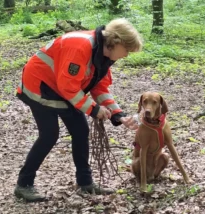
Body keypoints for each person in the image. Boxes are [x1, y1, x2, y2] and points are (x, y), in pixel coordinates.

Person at [14, 18, 143, 202]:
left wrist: (118, 114)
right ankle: (24, 184)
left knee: (81, 131)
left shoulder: (103, 56)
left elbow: (100, 88)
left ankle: (85, 183)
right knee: (49, 135)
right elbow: (68, 87)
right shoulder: (81, 46)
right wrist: (94, 109)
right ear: (116, 42)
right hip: (39, 86)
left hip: (62, 89)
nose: (126, 55)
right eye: (127, 50)